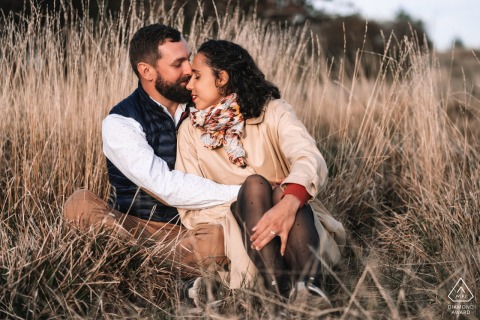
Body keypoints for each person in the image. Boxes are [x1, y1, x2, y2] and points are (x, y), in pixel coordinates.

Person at [63, 24, 241, 278]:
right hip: (132, 226)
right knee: (78, 204)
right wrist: (241, 193)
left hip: (191, 230)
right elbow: (163, 186)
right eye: (178, 63)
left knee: (219, 238)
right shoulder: (120, 121)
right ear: (146, 71)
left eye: (188, 59)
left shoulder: (203, 105)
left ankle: (134, 263)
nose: (189, 70)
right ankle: (156, 262)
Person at [175, 40, 346, 303]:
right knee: (256, 185)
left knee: (280, 192)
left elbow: (308, 157)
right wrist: (249, 207)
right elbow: (191, 206)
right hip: (241, 240)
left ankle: (308, 289)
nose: (189, 85)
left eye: (197, 76)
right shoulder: (190, 131)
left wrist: (287, 202)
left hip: (299, 228)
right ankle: (285, 289)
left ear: (222, 78)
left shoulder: (273, 111)